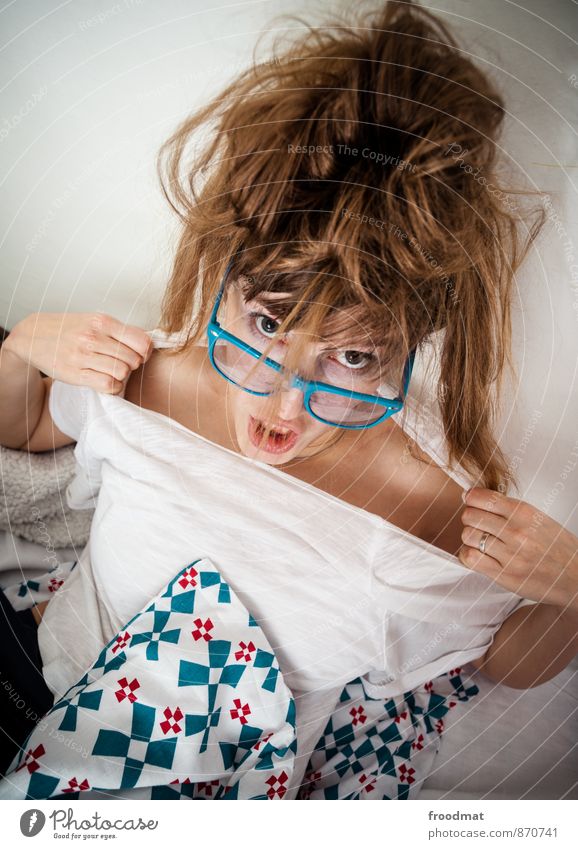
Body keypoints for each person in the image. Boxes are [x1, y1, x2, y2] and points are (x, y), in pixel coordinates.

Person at [0, 0, 577, 798]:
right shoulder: (154, 377)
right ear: (225, 279)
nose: (283, 401)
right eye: (266, 321)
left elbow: (506, 664)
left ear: (411, 347)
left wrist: (575, 590)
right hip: (24, 673)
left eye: (350, 356)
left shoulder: (427, 512)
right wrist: (21, 347)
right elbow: (23, 425)